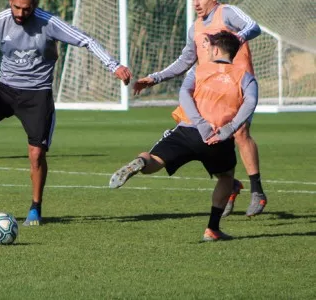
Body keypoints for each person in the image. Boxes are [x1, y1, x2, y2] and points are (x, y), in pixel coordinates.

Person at [0, 0, 132, 226]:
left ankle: (35, 207)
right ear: (9, 1)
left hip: (37, 94)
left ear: (34, 6)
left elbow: (86, 40)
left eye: (26, 9)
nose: (20, 13)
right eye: (16, 7)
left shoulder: (49, 23)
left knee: (36, 155)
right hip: (6, 89)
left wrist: (114, 65)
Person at [133, 0, 267, 217]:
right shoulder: (195, 28)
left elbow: (253, 27)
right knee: (203, 138)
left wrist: (236, 38)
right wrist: (155, 77)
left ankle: (257, 191)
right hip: (208, 91)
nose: (196, 3)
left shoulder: (226, 13)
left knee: (239, 132)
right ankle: (230, 185)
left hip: (236, 87)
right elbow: (185, 60)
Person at [110, 31, 258, 241]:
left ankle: (141, 162)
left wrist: (199, 123)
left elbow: (184, 95)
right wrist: (229, 129)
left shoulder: (199, 70)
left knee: (155, 160)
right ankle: (212, 229)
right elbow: (250, 103)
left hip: (187, 130)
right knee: (226, 177)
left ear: (215, 50)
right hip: (218, 137)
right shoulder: (245, 76)